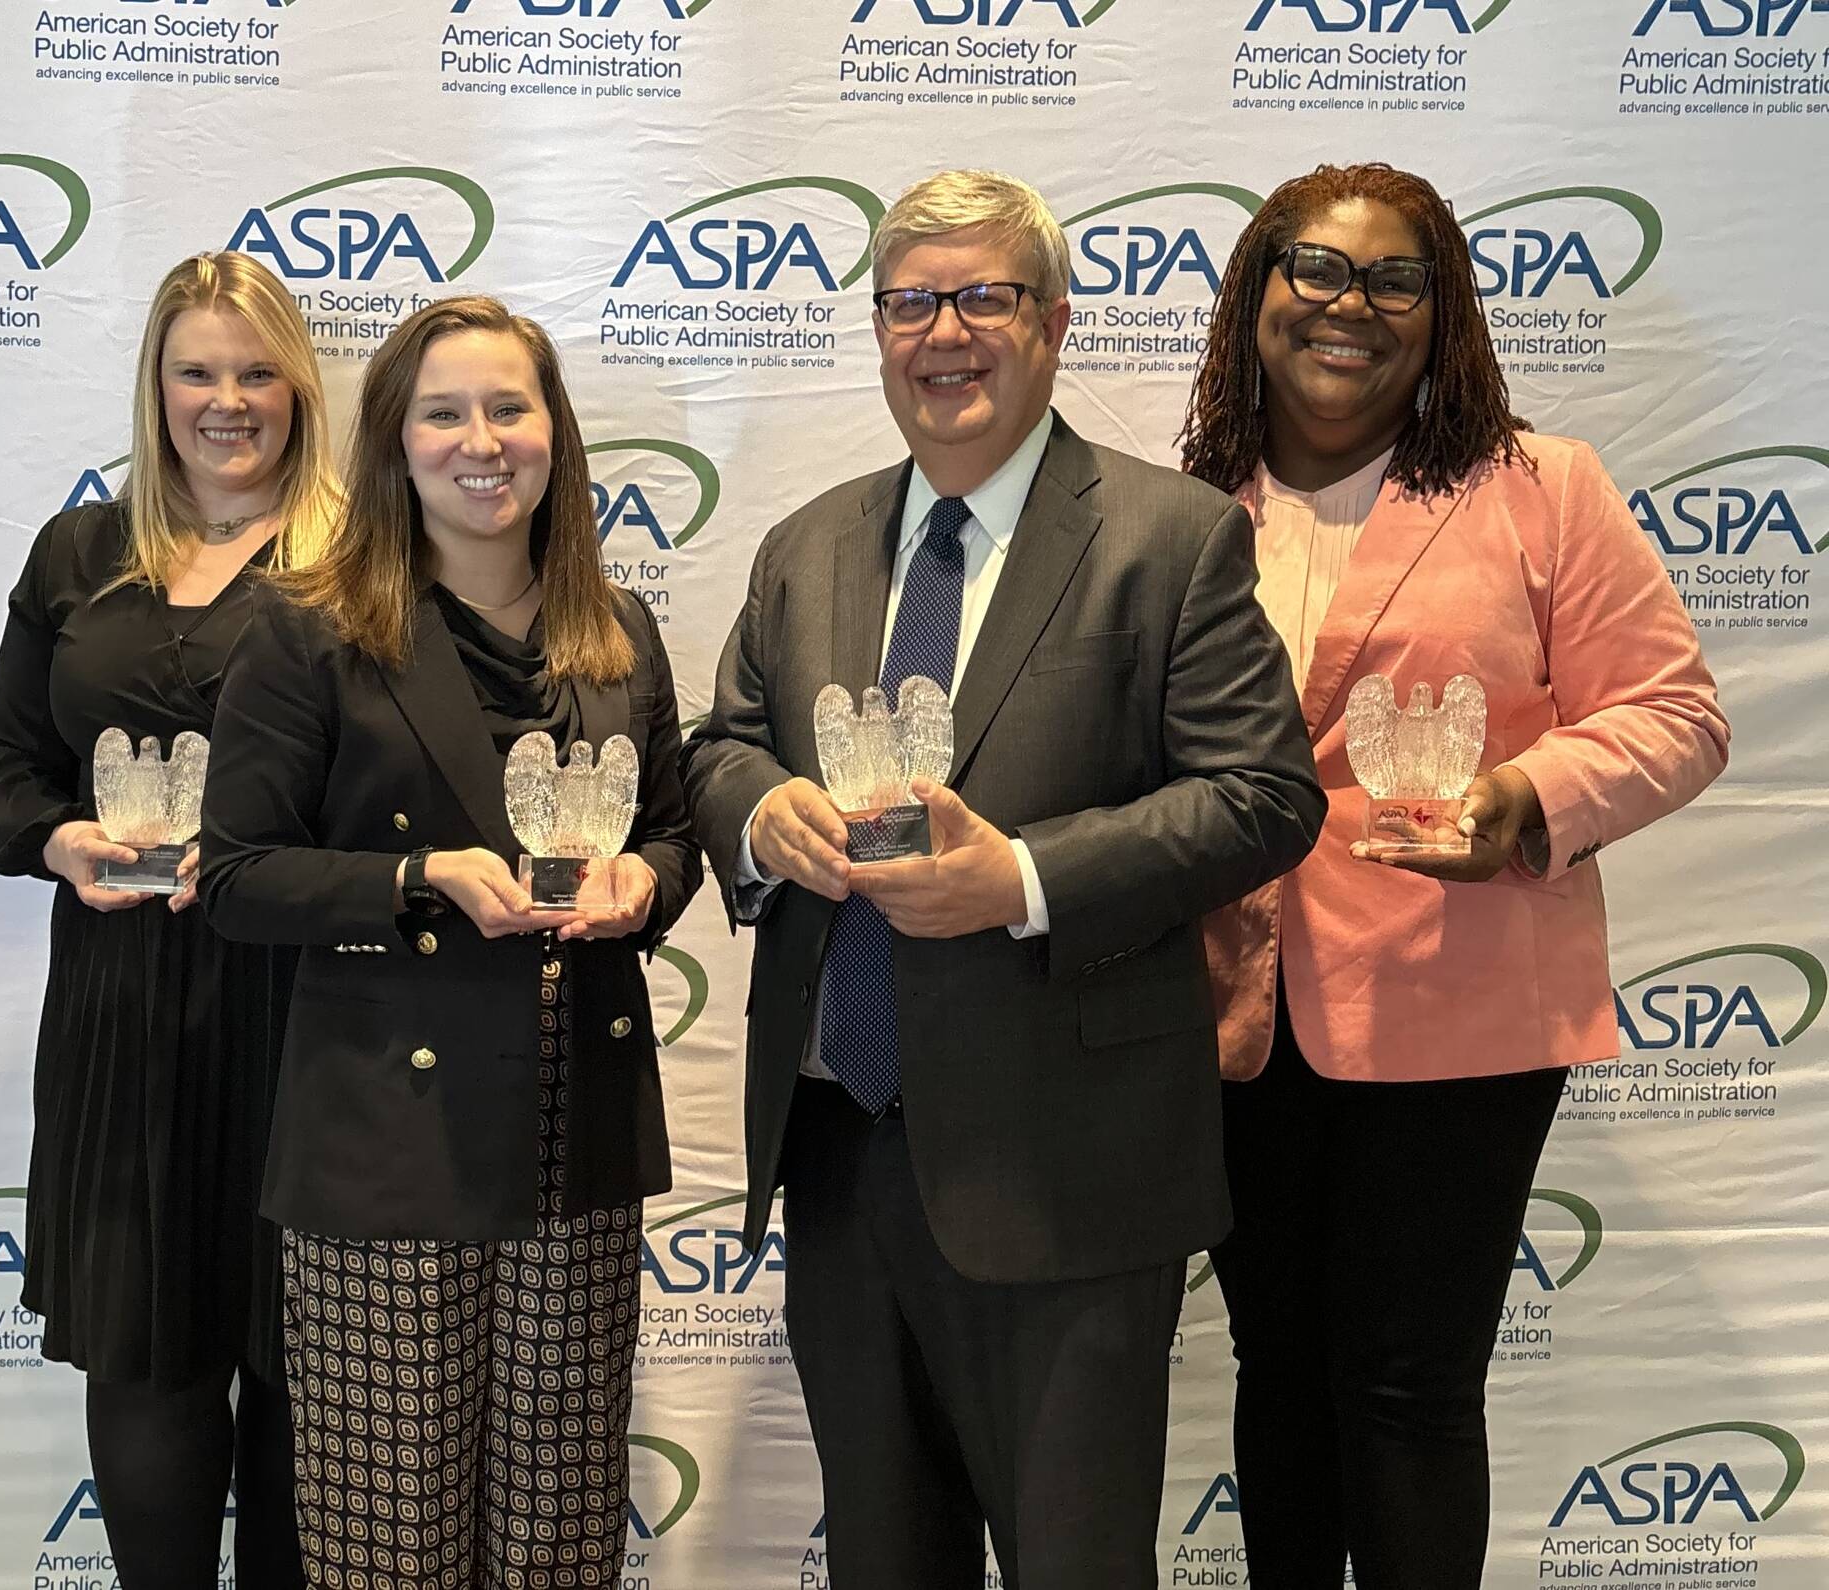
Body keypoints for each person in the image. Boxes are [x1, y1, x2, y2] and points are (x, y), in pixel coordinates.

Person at [680, 169, 1325, 1590]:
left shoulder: (1172, 537)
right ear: (878, 329)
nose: (945, 332)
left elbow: (1267, 797)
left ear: (1053, 322)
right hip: (840, 1151)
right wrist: (764, 810)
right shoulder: (805, 545)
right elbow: (719, 744)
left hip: (1069, 1166)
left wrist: (1023, 877)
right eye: (911, 302)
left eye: (986, 296)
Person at [1176, 162, 1731, 1590]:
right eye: (1314, 269)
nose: (1348, 305)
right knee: (1275, 1368)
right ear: (1255, 295)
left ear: (1444, 314)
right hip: (1232, 1016)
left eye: (1394, 280)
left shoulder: (1544, 489)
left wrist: (1529, 799)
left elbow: (1677, 714)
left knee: (1410, 1386)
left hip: (1460, 1016)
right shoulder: (1181, 508)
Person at [197, 294, 701, 1590]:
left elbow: (674, 834)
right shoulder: (310, 628)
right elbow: (237, 878)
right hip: (388, 1154)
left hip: (574, 1143)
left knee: (558, 1544)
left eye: (509, 408)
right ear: (395, 441)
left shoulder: (620, 632)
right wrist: (419, 879)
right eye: (444, 413)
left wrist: (642, 883)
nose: (482, 440)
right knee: (393, 1549)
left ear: (554, 432)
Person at [0, 251, 341, 1586]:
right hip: (121, 1011)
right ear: (156, 385)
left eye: (256, 373)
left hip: (308, 1013)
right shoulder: (77, 553)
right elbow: (10, 766)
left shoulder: (362, 560)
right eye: (197, 372)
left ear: (298, 390)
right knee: (144, 1364)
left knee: (311, 1372)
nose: (227, 401)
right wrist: (58, 838)